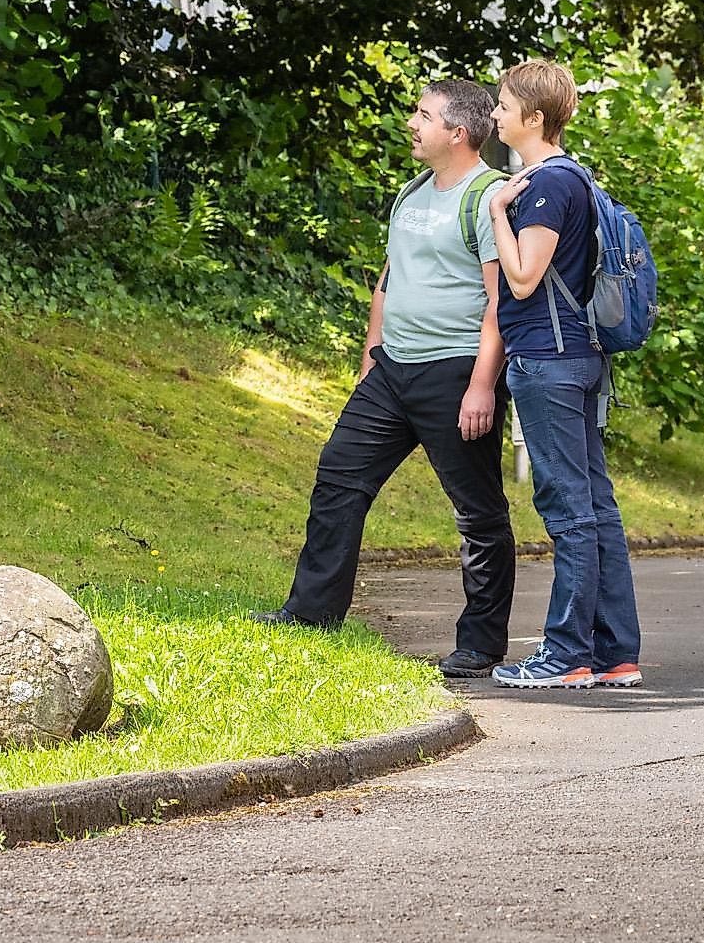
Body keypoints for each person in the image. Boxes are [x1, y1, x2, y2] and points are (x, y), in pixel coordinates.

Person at [253, 80, 516, 678]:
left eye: (424, 116)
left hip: (455, 373)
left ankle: (481, 643)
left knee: (477, 510)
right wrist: (372, 357)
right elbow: (388, 280)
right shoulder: (412, 192)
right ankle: (311, 613)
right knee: (339, 476)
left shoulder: (488, 198)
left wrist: (482, 385)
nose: (411, 124)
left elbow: (501, 303)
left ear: (458, 133)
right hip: (392, 369)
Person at [484, 59, 641, 691]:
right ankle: (615, 653)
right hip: (578, 355)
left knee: (569, 508)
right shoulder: (576, 177)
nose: (495, 114)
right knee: (596, 506)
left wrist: (498, 211)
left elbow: (524, 277)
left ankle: (566, 654)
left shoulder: (546, 184)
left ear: (534, 117)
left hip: (548, 361)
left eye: (503, 105)